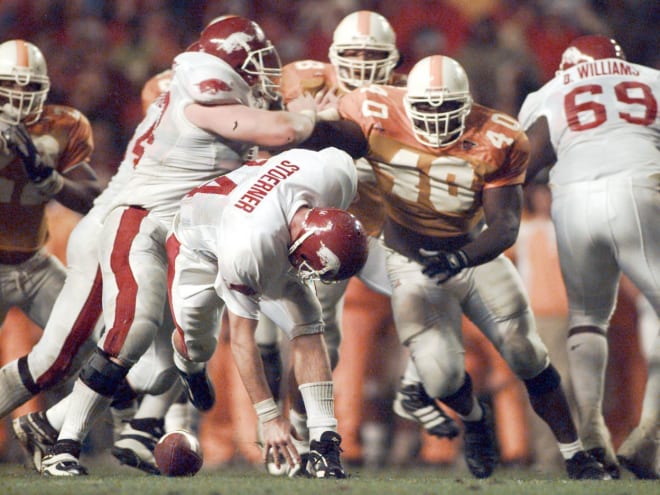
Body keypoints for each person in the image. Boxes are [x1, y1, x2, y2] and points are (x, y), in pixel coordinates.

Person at [36, 16, 321, 476]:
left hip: (186, 238)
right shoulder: (202, 89)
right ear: (226, 62)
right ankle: (63, 444)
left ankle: (69, 421)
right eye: (254, 62)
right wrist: (311, 113)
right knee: (133, 330)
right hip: (144, 222)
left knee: (170, 362)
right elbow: (282, 131)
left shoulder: (209, 95)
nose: (263, 73)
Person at [332, 54, 609, 480]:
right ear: (408, 104)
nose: (439, 119)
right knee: (440, 377)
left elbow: (504, 224)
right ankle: (477, 421)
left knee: (526, 350)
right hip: (411, 262)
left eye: (448, 108)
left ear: (467, 102)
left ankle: (575, 454)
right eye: (428, 108)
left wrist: (462, 258)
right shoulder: (374, 113)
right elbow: (324, 136)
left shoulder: (498, 135)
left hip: (473, 253)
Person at [278, 10, 458, 465]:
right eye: (352, 52)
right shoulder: (306, 80)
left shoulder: (405, 93)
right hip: (322, 225)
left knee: (437, 295)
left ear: (392, 58)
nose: (361, 61)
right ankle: (301, 429)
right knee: (320, 336)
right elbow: (283, 136)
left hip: (381, 225)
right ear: (334, 56)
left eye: (371, 53)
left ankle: (414, 390)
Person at [168, 145, 369, 478]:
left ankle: (323, 443)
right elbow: (243, 339)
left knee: (309, 321)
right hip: (199, 243)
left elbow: (332, 146)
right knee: (199, 343)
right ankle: (188, 366)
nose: (309, 273)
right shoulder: (251, 247)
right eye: (309, 264)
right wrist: (270, 418)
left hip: (269, 230)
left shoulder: (336, 177)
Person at [518, 34, 659, 479]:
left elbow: (526, 161)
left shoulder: (549, 91)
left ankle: (593, 427)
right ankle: (651, 433)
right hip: (640, 187)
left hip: (572, 196)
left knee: (587, 316)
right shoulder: (651, 78)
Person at [0, 38, 100, 430]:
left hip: (36, 263)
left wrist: (50, 179)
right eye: (11, 84)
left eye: (29, 85)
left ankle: (51, 431)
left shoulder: (62, 124)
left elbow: (92, 196)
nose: (21, 95)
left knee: (100, 346)